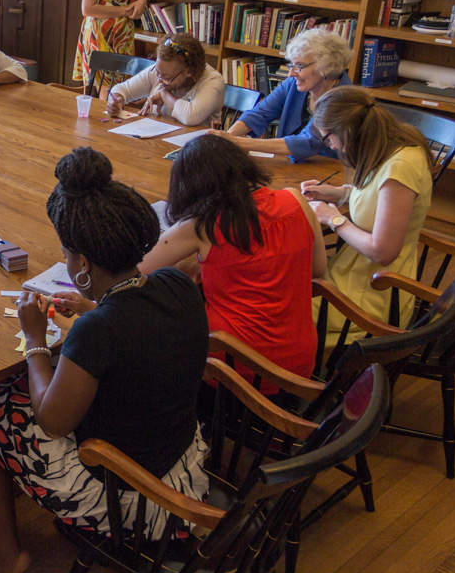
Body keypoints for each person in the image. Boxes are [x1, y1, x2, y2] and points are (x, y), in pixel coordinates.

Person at [0, 147, 209, 573]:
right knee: (14, 391)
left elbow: (52, 421)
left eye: (68, 255)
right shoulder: (177, 283)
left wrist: (36, 339)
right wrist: (95, 307)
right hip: (180, 459)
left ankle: (4, 558)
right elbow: (136, 330)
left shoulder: (99, 331)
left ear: (83, 266)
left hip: (136, 495)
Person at [138, 135, 326, 394]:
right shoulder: (295, 199)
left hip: (235, 369)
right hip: (300, 361)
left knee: (153, 329)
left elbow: (136, 270)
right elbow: (317, 270)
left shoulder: (202, 225)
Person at [301, 86, 433, 345]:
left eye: (329, 138)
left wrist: (334, 219)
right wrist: (338, 193)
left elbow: (383, 252)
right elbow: (379, 197)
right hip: (354, 275)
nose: (332, 145)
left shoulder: (400, 168)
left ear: (346, 131)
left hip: (372, 294)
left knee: (274, 310)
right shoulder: (391, 148)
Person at [211, 28, 352, 162]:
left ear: (329, 66)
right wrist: (227, 138)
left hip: (330, 172)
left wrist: (238, 142)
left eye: (299, 66)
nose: (291, 73)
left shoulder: (344, 98)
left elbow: (307, 142)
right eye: (291, 65)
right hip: (291, 165)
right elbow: (259, 113)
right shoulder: (293, 84)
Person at [105, 33, 225, 126]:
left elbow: (190, 117)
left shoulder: (212, 81)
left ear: (189, 71)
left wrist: (163, 94)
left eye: (167, 77)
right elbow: (122, 89)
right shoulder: (161, 70)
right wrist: (117, 100)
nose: (160, 80)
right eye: (158, 73)